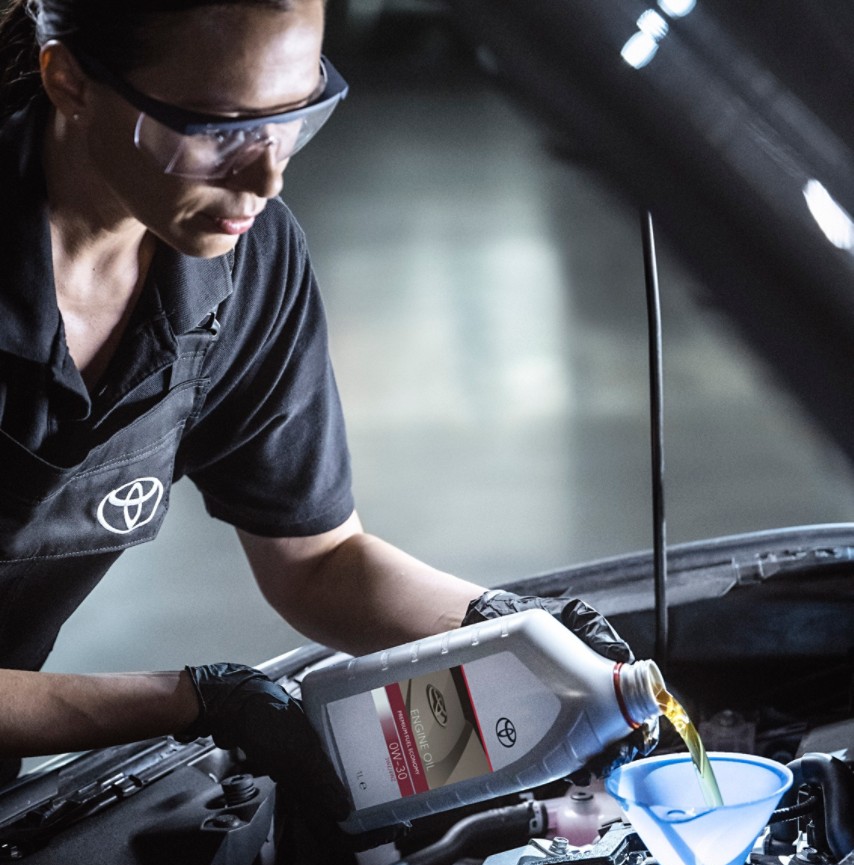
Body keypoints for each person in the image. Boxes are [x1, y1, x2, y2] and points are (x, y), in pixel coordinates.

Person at [0, 0, 632, 801]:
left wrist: (512, 627)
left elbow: (319, 562)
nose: (265, 176)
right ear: (71, 83)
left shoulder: (247, 264)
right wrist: (189, 700)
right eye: (219, 126)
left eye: (292, 117)